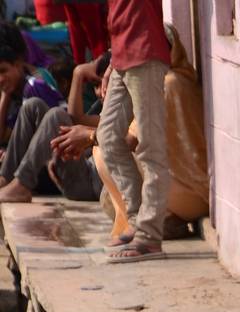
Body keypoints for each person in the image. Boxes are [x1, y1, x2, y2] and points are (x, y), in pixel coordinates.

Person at [95, 0, 170, 262]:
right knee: (107, 137)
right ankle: (138, 219)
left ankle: (149, 237)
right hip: (122, 53)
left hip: (145, 52)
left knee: (151, 148)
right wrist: (112, 60)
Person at [0, 52, 103, 204]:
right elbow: (76, 119)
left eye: (104, 84)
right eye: (96, 85)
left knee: (56, 115)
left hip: (88, 180)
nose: (101, 91)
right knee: (32, 106)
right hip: (70, 166)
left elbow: (74, 118)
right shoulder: (101, 108)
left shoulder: (123, 113)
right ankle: (6, 179)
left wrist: (78, 73)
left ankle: (22, 184)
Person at [0, 21, 64, 155]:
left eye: (3, 70)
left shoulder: (34, 86)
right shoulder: (14, 89)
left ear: (18, 62)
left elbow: (50, 135)